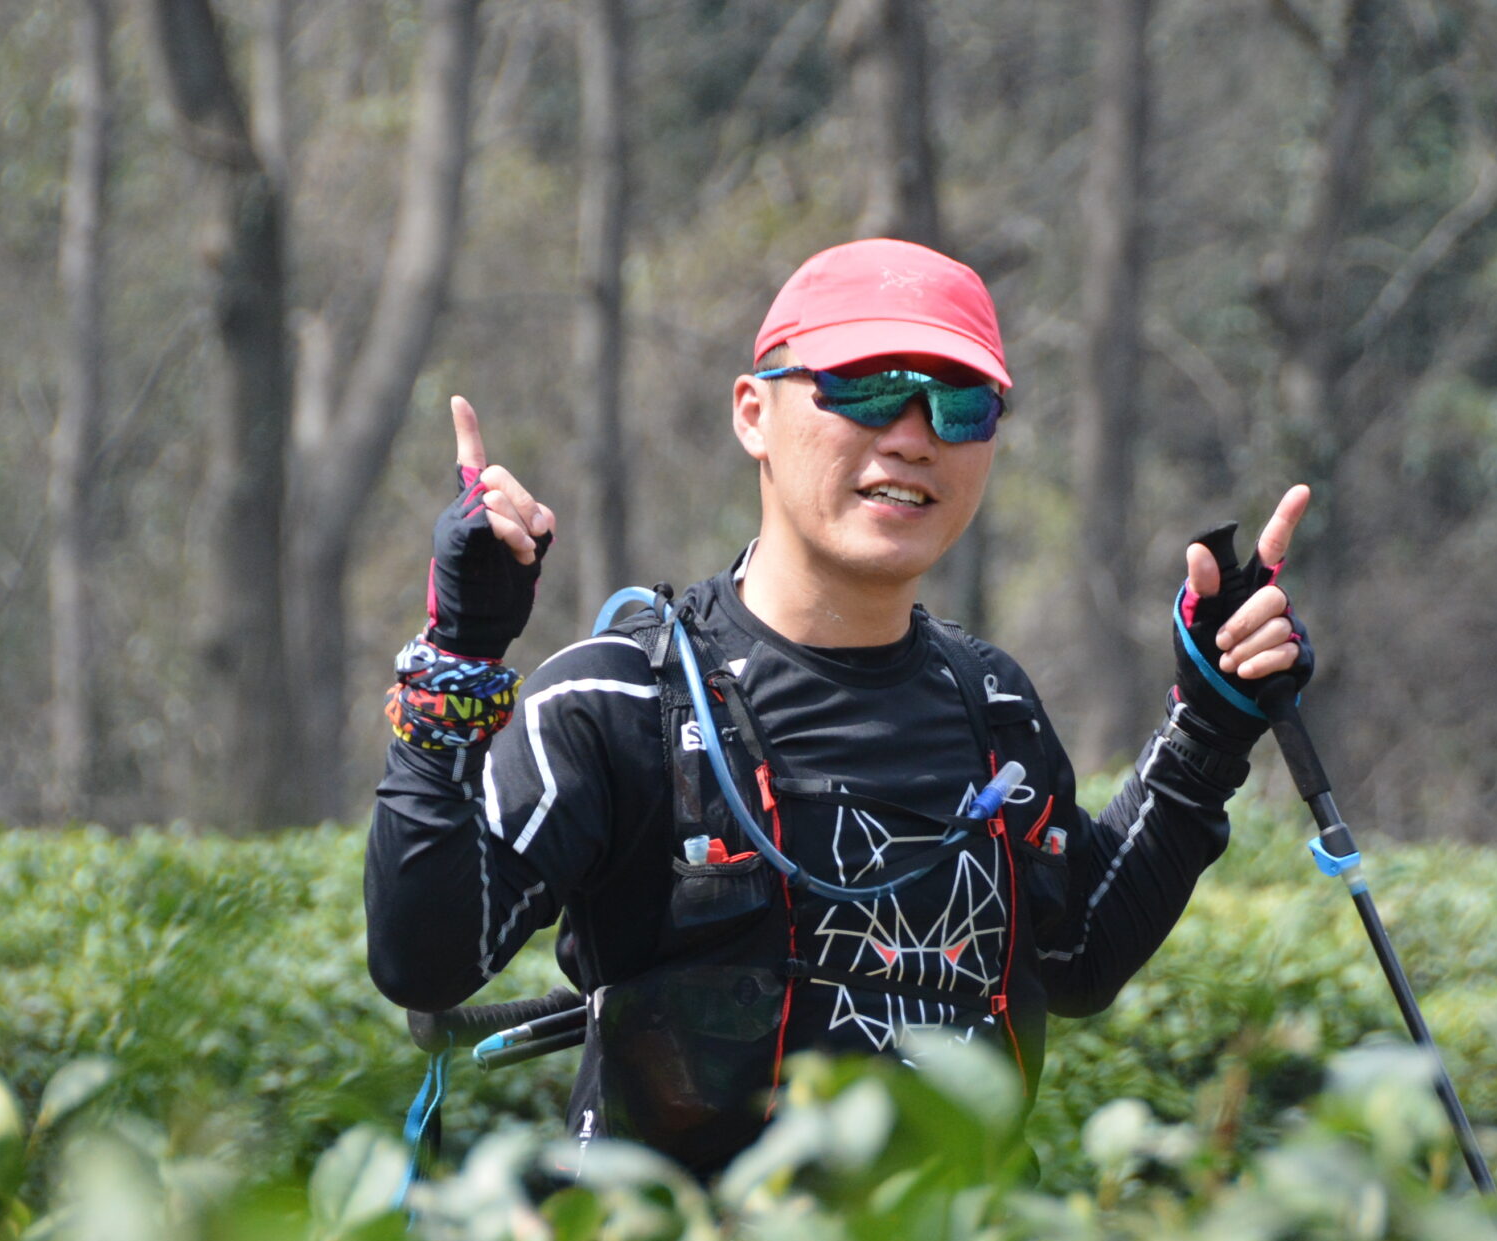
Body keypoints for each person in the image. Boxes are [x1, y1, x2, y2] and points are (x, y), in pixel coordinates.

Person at [366, 237, 1313, 1180]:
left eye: (959, 402)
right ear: (753, 412)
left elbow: (1077, 960)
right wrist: (460, 657)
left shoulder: (996, 706)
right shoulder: (616, 702)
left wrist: (1212, 721)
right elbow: (426, 963)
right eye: (863, 386)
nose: (912, 434)